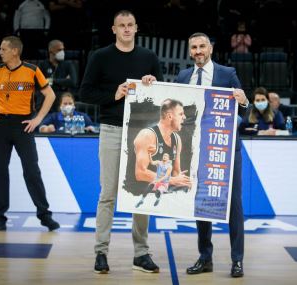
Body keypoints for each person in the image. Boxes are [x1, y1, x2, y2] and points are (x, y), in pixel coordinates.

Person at [79, 10, 163, 274]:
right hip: (112, 130)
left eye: (130, 25)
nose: (126, 29)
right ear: (113, 29)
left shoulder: (149, 57)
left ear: (136, 28)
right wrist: (113, 93)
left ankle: (141, 254)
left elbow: (161, 94)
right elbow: (85, 92)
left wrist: (153, 83)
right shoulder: (100, 57)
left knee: (142, 192)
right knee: (108, 195)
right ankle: (101, 252)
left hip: (143, 132)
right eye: (121, 25)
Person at [176, 32, 249, 278]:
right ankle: (205, 257)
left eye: (202, 46)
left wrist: (245, 101)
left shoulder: (227, 74)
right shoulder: (183, 76)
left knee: (234, 206)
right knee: (202, 203)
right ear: (189, 51)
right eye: (193, 47)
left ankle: (237, 260)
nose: (198, 51)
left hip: (226, 150)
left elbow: (243, 113)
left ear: (211, 48)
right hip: (197, 152)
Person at [0, 35, 60, 231]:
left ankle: (44, 215)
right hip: (2, 126)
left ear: (15, 51)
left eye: (3, 49)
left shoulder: (32, 70)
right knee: (0, 172)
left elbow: (50, 94)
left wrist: (38, 119)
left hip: (23, 125)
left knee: (32, 171)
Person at [128, 99, 191, 208]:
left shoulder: (177, 139)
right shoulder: (147, 135)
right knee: (142, 221)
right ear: (170, 116)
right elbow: (140, 173)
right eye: (181, 114)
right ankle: (143, 200)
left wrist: (183, 181)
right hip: (136, 193)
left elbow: (176, 172)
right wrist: (172, 180)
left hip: (161, 187)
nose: (184, 117)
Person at [38, 39, 77, 111]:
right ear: (51, 51)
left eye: (63, 50)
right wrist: (64, 81)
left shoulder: (68, 64)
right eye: (59, 50)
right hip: (47, 100)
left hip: (63, 100)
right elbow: (40, 83)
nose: (62, 52)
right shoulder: (43, 65)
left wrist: (52, 81)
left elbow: (73, 82)